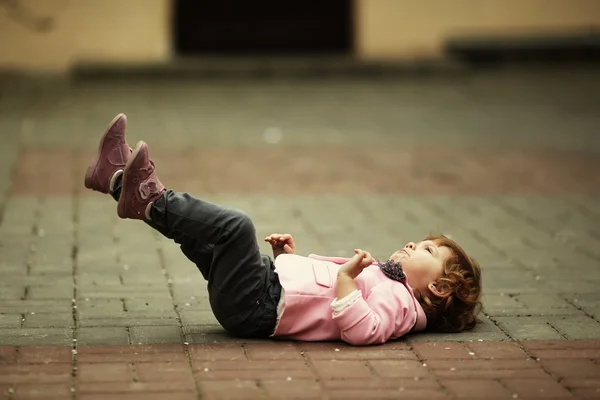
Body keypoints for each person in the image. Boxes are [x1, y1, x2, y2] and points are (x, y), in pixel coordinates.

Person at [84, 113, 482, 346]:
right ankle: (116, 179)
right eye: (423, 242)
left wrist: (345, 278)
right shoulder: (388, 279)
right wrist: (288, 260)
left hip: (256, 308)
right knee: (200, 232)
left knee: (236, 226)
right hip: (265, 288)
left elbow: (364, 330)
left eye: (429, 251)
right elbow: (317, 297)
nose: (415, 244)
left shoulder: (404, 308)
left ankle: (149, 196)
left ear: (440, 288)